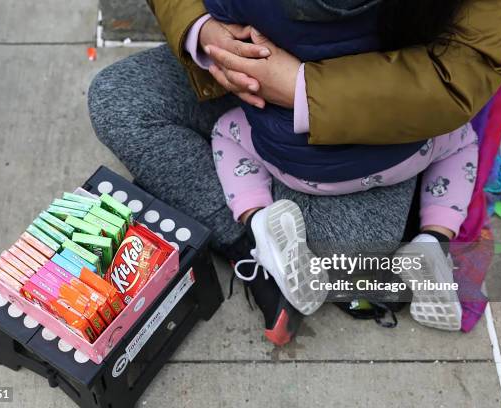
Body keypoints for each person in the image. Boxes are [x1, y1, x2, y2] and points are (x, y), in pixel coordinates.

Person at [88, 0, 501, 345]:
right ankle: (256, 249)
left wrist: (303, 89)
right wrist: (201, 31)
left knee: (349, 255)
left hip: (370, 109)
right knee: (119, 100)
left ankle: (254, 229)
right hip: (259, 77)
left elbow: (466, 67)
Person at [203, 0, 479, 332]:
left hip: (298, 163)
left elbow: (213, 15)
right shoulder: (405, 12)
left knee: (226, 132)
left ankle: (257, 219)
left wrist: (207, 33)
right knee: (461, 138)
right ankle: (434, 238)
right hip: (400, 153)